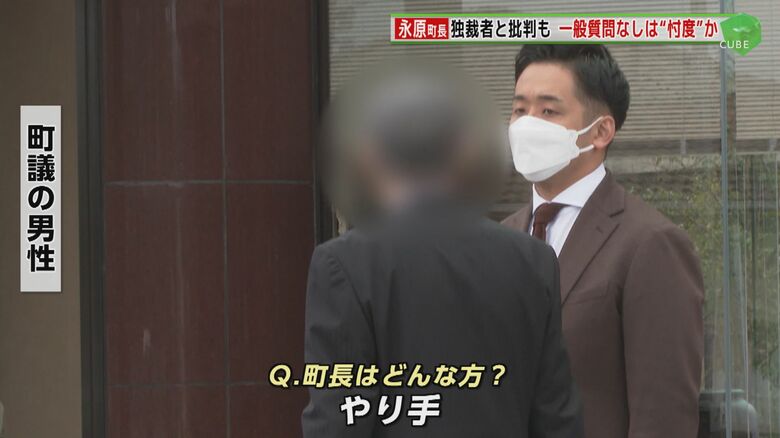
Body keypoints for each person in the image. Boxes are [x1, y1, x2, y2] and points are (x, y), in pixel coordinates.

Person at [302, 60, 583, 437]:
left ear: (371, 154)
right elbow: (557, 419)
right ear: (463, 153)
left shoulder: (344, 265)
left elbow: (338, 421)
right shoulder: (532, 260)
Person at [503, 44, 704, 437]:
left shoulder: (650, 244)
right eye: (519, 110)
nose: (527, 125)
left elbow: (664, 415)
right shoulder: (500, 239)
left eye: (548, 111)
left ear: (600, 132)